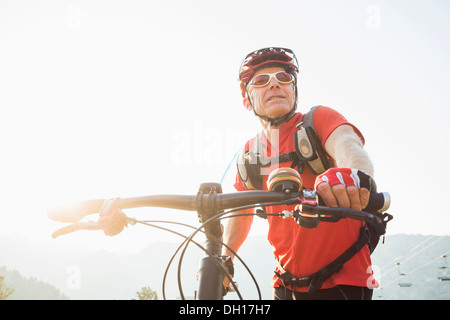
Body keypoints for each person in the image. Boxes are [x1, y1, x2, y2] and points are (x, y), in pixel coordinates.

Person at [221, 47, 377, 300]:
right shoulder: (252, 152)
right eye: (261, 81)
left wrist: (354, 176)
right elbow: (240, 211)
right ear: (246, 99)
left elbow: (348, 145)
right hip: (284, 284)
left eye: (283, 78)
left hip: (341, 282)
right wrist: (224, 257)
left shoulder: (318, 120)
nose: (274, 85)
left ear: (294, 91)